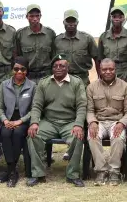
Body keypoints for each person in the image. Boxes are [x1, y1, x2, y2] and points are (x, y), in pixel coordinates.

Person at [27, 55, 87, 187]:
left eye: (62, 66)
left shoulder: (76, 83)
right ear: (52, 68)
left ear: (68, 68)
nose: (58, 68)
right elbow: (36, 105)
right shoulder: (44, 83)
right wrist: (34, 122)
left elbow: (82, 106)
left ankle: (72, 175)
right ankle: (38, 174)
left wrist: (78, 124)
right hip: (49, 121)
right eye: (55, 66)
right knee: (33, 135)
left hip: (69, 122)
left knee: (78, 136)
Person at [87, 59, 127, 186]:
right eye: (104, 69)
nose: (108, 72)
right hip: (99, 121)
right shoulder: (91, 87)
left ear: (115, 69)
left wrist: (122, 123)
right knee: (92, 136)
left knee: (118, 138)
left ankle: (114, 172)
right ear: (100, 70)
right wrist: (92, 122)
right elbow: (89, 110)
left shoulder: (125, 87)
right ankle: (101, 171)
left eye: (111, 69)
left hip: (116, 121)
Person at [0, 57, 36, 187]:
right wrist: (4, 120)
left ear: (27, 71)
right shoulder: (4, 85)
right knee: (5, 133)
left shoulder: (32, 86)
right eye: (16, 69)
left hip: (23, 119)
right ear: (12, 70)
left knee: (18, 133)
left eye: (23, 69)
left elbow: (35, 109)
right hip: (7, 118)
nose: (19, 71)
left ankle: (10, 172)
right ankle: (12, 170)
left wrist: (20, 121)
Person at [98, 7, 127, 90]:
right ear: (110, 18)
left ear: (123, 18)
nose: (117, 19)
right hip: (108, 75)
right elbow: (100, 61)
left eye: (120, 17)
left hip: (125, 75)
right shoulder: (103, 37)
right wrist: (100, 79)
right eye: (114, 16)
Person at [54, 9, 99, 86]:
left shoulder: (87, 39)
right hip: (63, 80)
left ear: (77, 22)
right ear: (63, 22)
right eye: (68, 21)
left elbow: (97, 58)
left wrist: (100, 78)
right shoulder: (57, 40)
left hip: (82, 80)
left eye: (73, 21)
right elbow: (53, 60)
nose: (71, 24)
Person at [14, 4, 57, 83]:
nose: (35, 19)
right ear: (27, 17)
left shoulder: (50, 33)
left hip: (46, 76)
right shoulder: (20, 34)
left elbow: (54, 55)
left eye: (37, 16)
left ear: (40, 16)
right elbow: (18, 56)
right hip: (28, 76)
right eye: (31, 16)